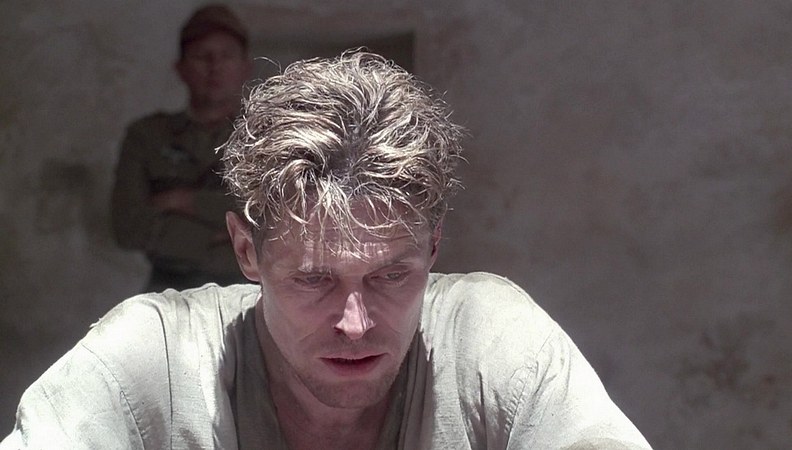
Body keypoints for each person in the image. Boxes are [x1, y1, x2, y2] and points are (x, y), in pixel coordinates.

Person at [2, 51, 652, 449]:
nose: (355, 323)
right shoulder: (157, 362)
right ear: (246, 252)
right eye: (314, 279)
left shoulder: (491, 342)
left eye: (390, 275)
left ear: (433, 247)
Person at [111, 4, 253, 291]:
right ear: (181, 68)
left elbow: (271, 221)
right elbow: (128, 226)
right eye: (202, 56)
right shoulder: (148, 136)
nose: (214, 67)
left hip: (248, 291)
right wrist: (221, 237)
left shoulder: (264, 137)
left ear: (245, 68)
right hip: (168, 291)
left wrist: (184, 201)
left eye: (226, 56)